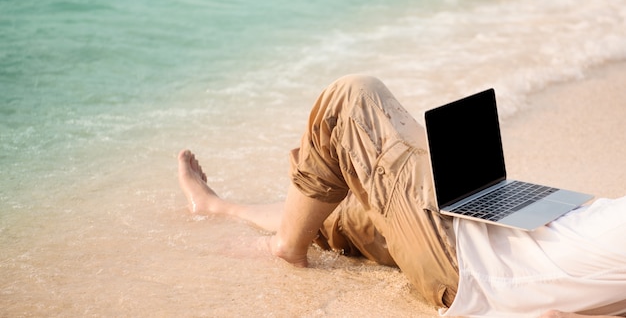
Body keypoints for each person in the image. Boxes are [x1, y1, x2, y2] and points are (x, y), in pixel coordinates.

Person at [177, 75, 626, 317]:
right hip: (504, 230)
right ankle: (218, 206)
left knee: (351, 98)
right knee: (343, 212)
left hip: (465, 261)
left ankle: (285, 249)